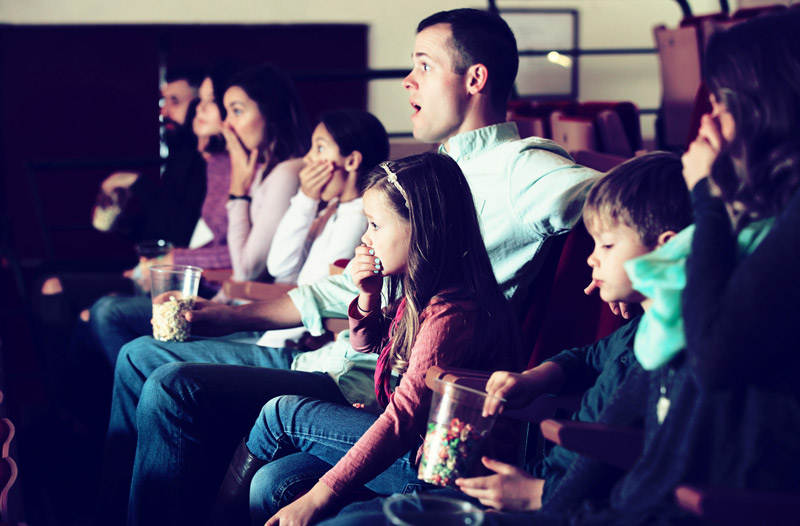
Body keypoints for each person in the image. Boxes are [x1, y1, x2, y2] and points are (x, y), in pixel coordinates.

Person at [101, 7, 597, 525]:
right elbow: (354, 295)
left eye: (424, 65)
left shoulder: (520, 168)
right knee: (147, 360)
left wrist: (642, 238)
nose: (408, 79)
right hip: (366, 358)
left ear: (475, 78)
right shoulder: (440, 168)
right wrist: (241, 313)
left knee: (175, 385)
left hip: (395, 391)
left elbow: (623, 196)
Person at [317, 151, 694, 526]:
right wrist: (532, 379)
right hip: (543, 479)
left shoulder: (665, 356)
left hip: (547, 498)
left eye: (606, 246)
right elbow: (586, 358)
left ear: (667, 251)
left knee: (295, 439)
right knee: (303, 483)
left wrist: (540, 494)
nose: (592, 260)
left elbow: (618, 465)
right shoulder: (639, 332)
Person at [211, 153, 522, 526]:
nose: (365, 237)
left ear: (421, 228)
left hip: (440, 473)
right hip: (415, 450)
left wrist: (320, 497)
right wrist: (367, 296)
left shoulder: (453, 312)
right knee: (272, 480)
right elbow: (372, 345)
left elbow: (404, 420)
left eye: (375, 224)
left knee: (282, 412)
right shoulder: (422, 290)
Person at [260, 109, 389, 348]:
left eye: (319, 148)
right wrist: (306, 199)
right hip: (275, 338)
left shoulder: (361, 218)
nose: (308, 158)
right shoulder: (333, 210)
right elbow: (280, 266)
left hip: (292, 345)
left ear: (351, 161)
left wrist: (307, 199)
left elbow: (319, 291)